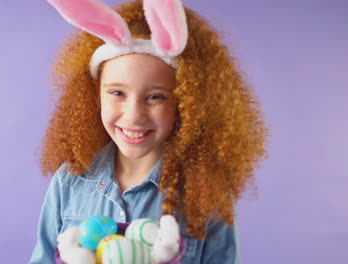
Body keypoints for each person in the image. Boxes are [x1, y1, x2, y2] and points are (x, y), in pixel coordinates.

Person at [29, 0, 269, 263]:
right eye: (117, 93)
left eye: (155, 97)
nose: (134, 116)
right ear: (96, 94)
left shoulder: (207, 195)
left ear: (186, 101)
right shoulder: (69, 181)